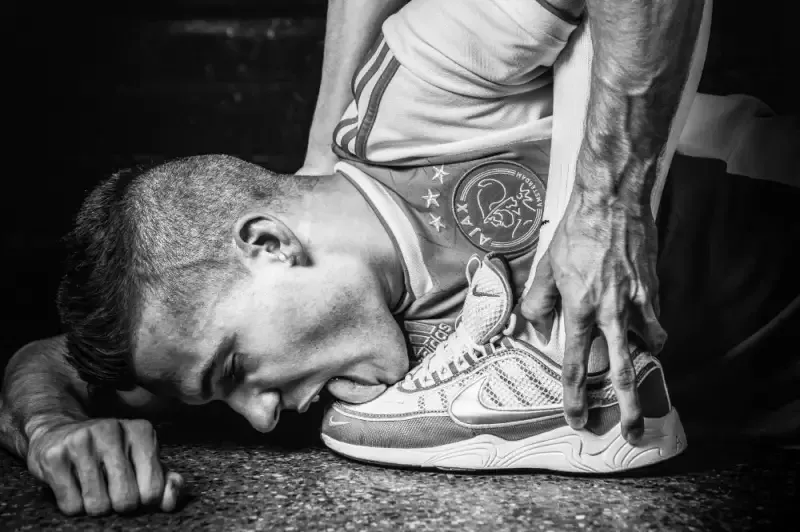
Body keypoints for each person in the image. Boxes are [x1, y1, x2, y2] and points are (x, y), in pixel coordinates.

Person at [1, 0, 796, 517]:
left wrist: (606, 205)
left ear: (270, 246)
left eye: (234, 369)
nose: (263, 416)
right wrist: (51, 430)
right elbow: (54, 361)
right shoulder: (322, 376)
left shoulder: (419, 96)